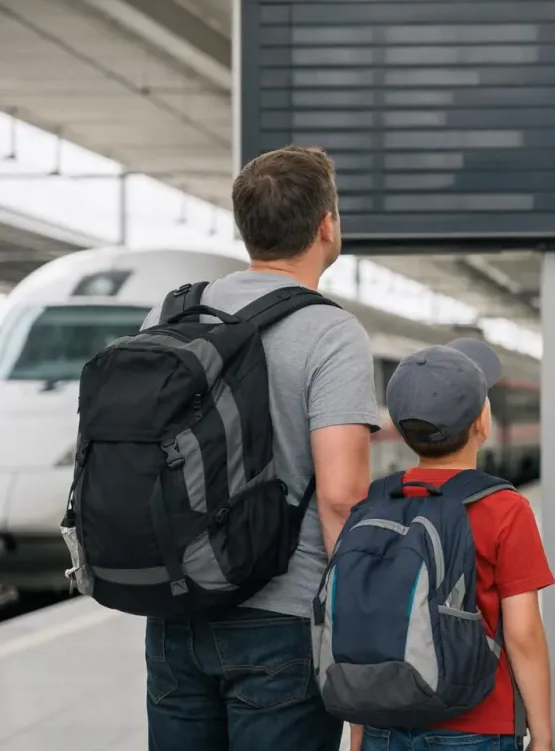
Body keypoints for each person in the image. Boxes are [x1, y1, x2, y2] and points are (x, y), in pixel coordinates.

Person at [142, 146, 379, 751]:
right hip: (282, 623)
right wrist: (360, 629)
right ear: (326, 225)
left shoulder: (171, 314)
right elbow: (342, 496)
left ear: (247, 227)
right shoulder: (331, 331)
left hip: (175, 617)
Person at [359, 338, 555, 751]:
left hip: (385, 722)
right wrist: (543, 733)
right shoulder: (505, 508)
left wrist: (360, 732)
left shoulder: (374, 503)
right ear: (483, 422)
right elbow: (523, 633)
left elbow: (359, 627)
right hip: (478, 724)